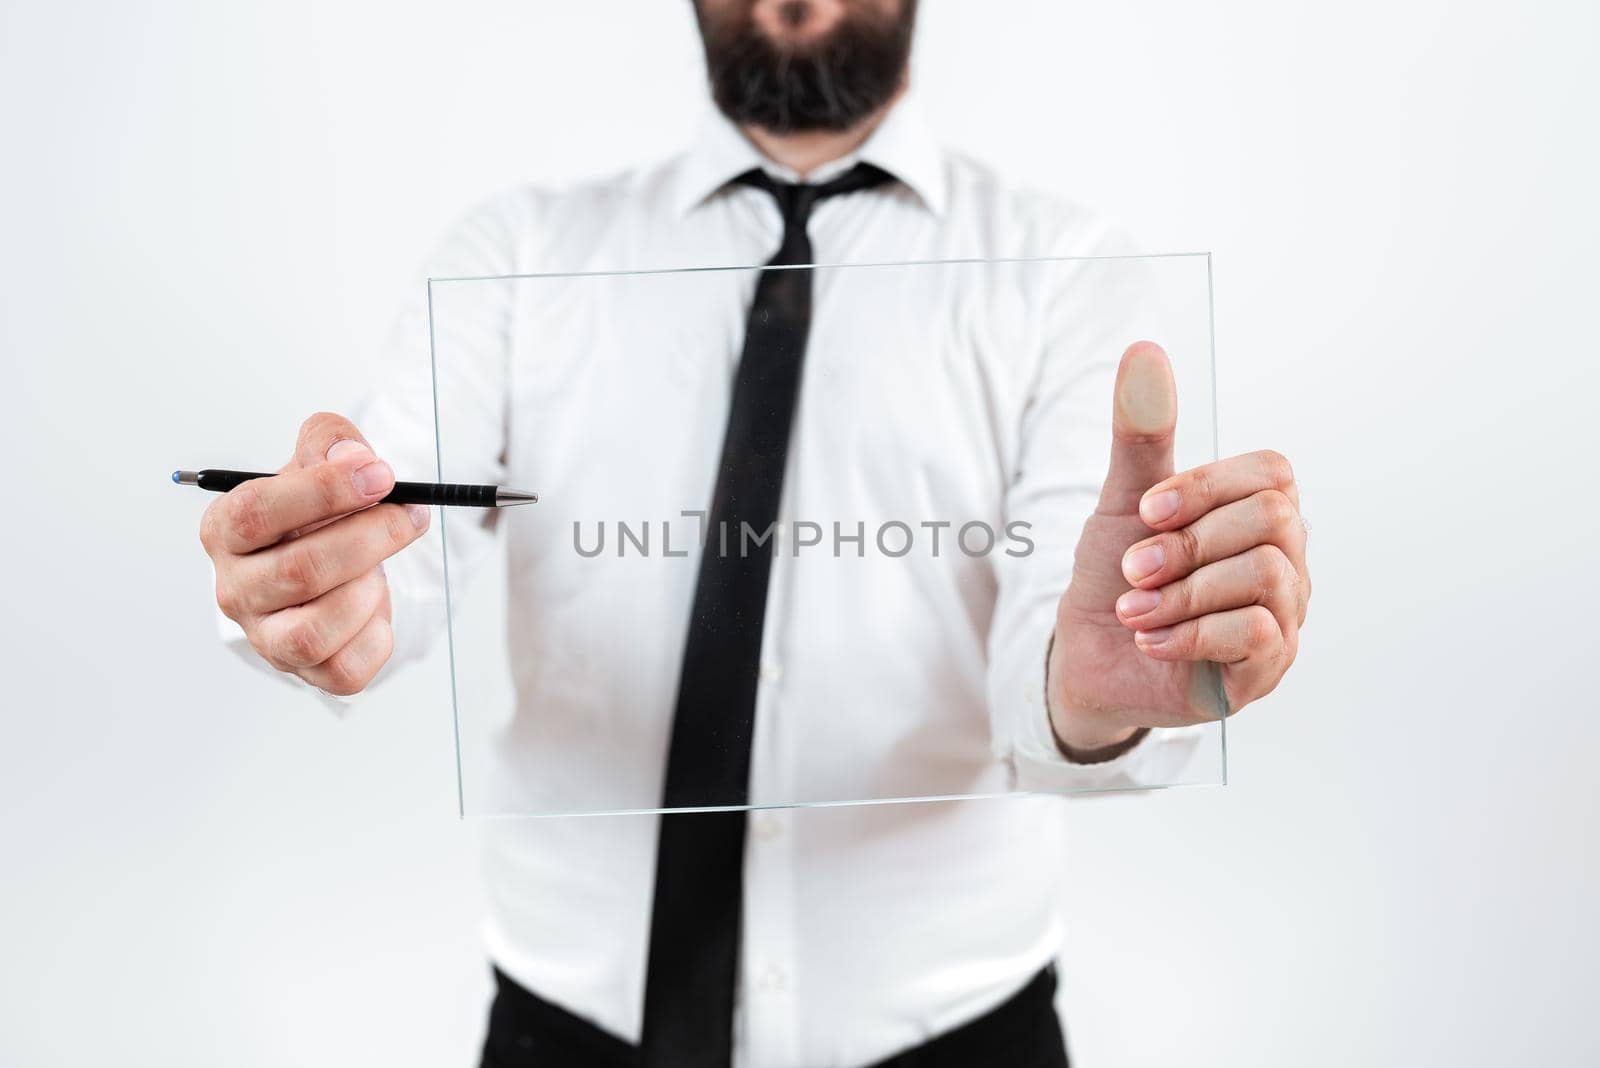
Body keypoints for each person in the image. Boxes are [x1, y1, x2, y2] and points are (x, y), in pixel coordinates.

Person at [198, 1, 1312, 1065]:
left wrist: (1106, 684)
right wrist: (316, 592)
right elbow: (397, 552)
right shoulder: (516, 253)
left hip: (958, 1031)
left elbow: (1054, 664)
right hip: (567, 1028)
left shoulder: (1065, 272)